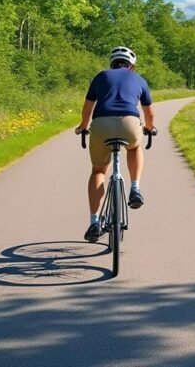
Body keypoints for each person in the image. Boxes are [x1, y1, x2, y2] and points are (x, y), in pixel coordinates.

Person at [75, 46, 155, 243]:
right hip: (130, 122)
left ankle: (95, 222)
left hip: (101, 123)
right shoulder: (139, 79)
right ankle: (135, 188)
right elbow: (149, 113)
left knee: (98, 171)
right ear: (132, 66)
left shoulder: (101, 76)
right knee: (134, 147)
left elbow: (87, 108)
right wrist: (149, 128)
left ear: (112, 63)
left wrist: (83, 126)